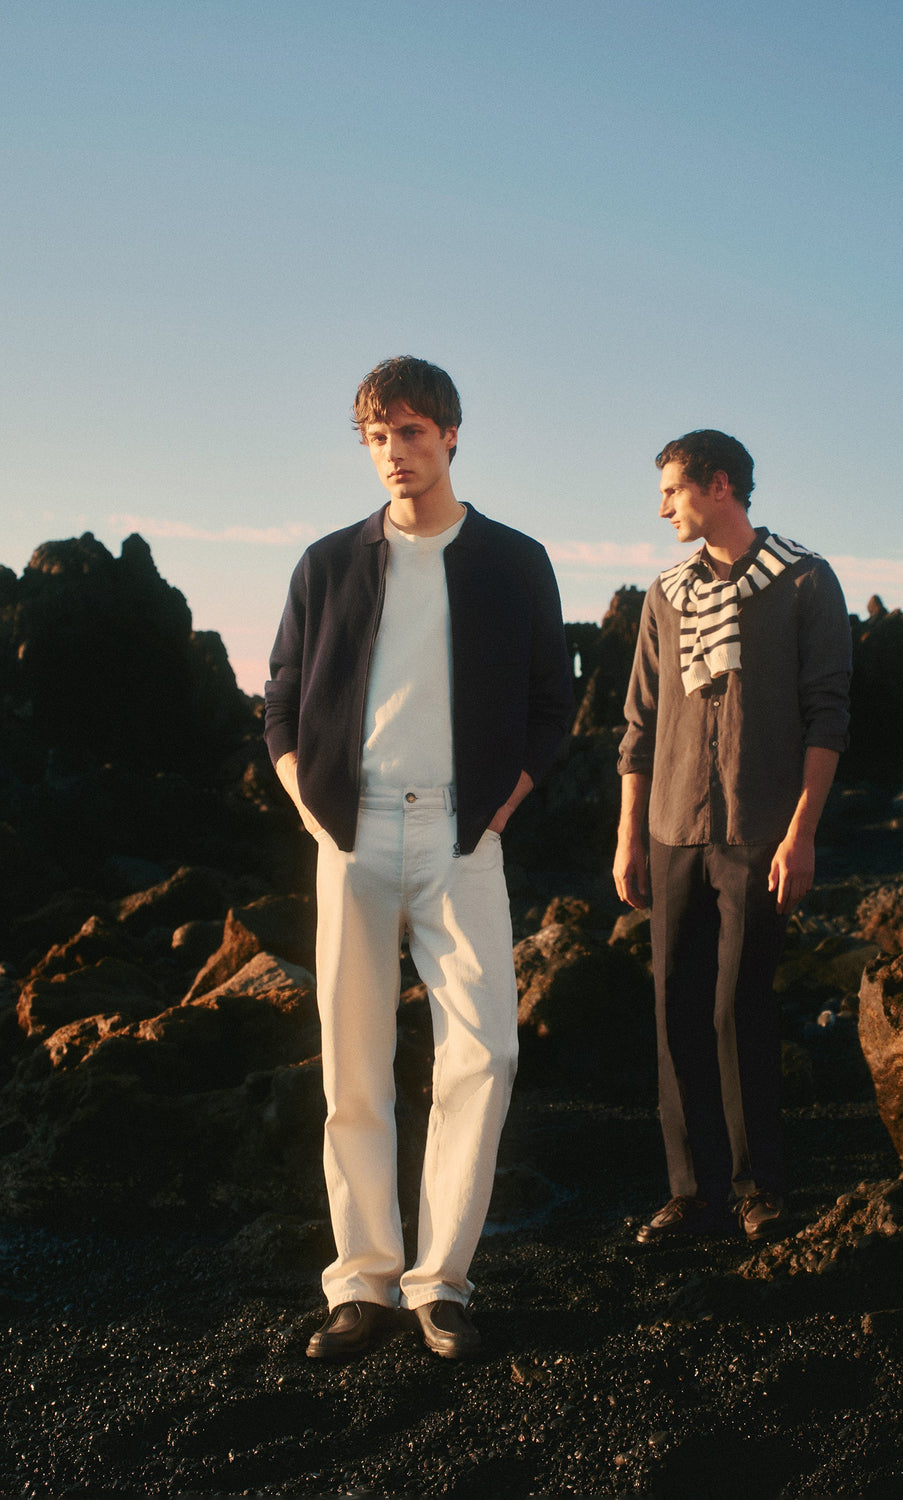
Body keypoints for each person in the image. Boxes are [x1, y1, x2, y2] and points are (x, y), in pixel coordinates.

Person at [265, 356, 574, 1360]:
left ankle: (440, 1282)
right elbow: (279, 698)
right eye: (377, 437)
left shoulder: (513, 561)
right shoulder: (327, 563)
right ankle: (361, 1283)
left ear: (449, 435)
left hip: (461, 832)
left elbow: (552, 704)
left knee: (485, 1054)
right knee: (353, 1063)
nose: (394, 452)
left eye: (410, 432)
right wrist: (309, 807)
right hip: (349, 832)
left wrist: (500, 808)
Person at [614, 430, 851, 1244]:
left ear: (719, 486)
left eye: (672, 491)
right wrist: (629, 836)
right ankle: (693, 1195)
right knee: (674, 1008)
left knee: (740, 1007)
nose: (662, 509)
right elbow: (639, 723)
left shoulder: (805, 580)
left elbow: (828, 716)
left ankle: (759, 1189)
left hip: (760, 827)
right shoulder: (665, 594)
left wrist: (801, 835)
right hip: (673, 824)